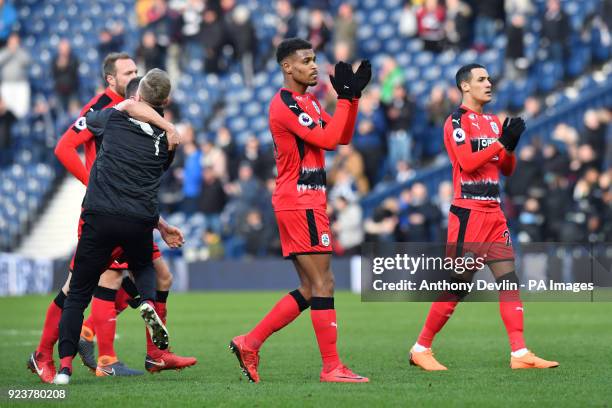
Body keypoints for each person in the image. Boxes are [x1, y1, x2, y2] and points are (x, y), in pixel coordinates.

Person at [28, 54, 195, 385]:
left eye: (137, 71)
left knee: (158, 278)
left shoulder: (143, 110)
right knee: (96, 284)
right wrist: (94, 182)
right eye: (128, 72)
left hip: (131, 208)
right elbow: (64, 148)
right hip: (105, 206)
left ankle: (147, 352)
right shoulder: (102, 108)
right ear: (111, 79)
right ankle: (58, 354)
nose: (135, 75)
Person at [229, 38, 371, 383]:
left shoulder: (307, 102)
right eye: (305, 60)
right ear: (286, 67)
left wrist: (351, 100)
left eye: (314, 59)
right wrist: (344, 101)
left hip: (307, 200)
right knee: (324, 282)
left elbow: (341, 137)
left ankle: (250, 342)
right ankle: (331, 366)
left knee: (311, 287)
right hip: (299, 201)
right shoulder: (284, 105)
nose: (313, 66)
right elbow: (325, 140)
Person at [409, 64, 559, 371]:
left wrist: (511, 147)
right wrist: (501, 143)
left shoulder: (492, 122)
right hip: (469, 213)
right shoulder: (455, 121)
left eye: (489, 78)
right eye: (481, 79)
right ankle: (420, 348)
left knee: (508, 279)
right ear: (465, 86)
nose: (489, 83)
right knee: (459, 284)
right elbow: (466, 162)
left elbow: (506, 169)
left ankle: (519, 353)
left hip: (494, 212)